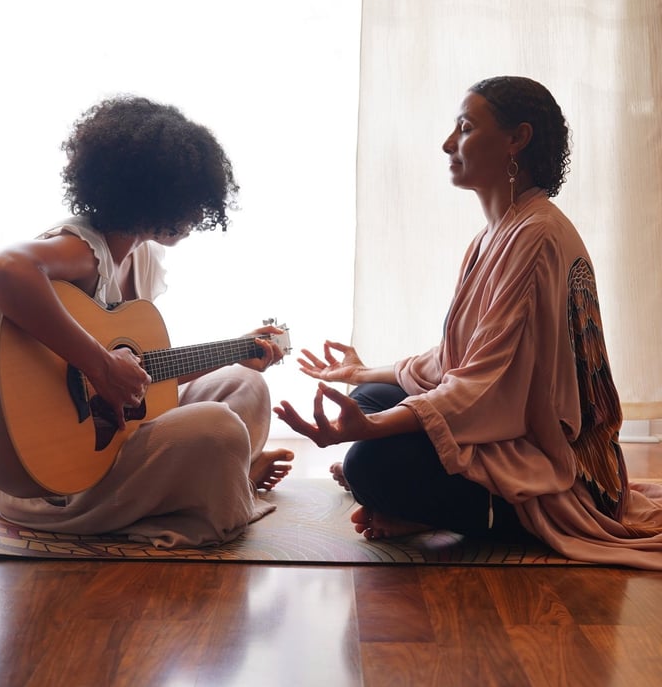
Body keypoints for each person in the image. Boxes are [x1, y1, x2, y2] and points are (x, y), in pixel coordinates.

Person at [274, 76, 662, 569]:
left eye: (464, 128)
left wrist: (371, 432)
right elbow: (450, 360)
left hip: (546, 458)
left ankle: (492, 516)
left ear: (516, 139)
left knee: (368, 463)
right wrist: (361, 374)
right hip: (498, 421)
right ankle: (427, 506)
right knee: (371, 400)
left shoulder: (536, 234)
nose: (447, 144)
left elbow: (483, 383)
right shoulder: (491, 236)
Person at [0, 95, 293, 548]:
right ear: (150, 196)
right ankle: (223, 484)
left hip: (109, 450)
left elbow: (141, 383)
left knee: (245, 385)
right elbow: (3, 269)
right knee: (220, 426)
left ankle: (220, 479)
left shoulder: (141, 255)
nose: (195, 215)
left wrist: (239, 349)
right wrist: (100, 365)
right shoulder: (81, 250)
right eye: (187, 199)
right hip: (57, 484)